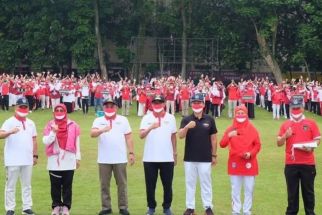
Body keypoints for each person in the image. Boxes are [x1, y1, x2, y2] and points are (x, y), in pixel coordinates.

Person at [277, 95, 321, 215]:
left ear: (303, 107)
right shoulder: (285, 124)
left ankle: (310, 213)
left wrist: (311, 146)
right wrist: (285, 136)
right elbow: (279, 143)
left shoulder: (311, 123)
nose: (296, 111)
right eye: (294, 108)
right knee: (292, 194)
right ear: (291, 108)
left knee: (308, 193)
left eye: (298, 108)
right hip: (291, 164)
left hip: (308, 163)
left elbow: (317, 140)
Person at [91, 98, 135, 215]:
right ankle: (106, 207)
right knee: (104, 184)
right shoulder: (98, 120)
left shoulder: (123, 120)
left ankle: (123, 207)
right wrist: (102, 130)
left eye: (112, 106)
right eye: (107, 106)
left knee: (122, 184)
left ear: (116, 107)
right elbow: (92, 134)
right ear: (104, 108)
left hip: (120, 158)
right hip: (104, 159)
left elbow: (129, 137)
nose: (109, 108)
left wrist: (131, 153)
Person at [178, 93, 218, 215]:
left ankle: (208, 207)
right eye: (194, 102)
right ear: (191, 104)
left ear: (203, 104)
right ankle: (190, 207)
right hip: (190, 157)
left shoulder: (209, 119)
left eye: (199, 102)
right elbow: (180, 136)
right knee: (190, 183)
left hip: (205, 157)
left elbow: (214, 138)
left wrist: (214, 155)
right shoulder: (186, 119)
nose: (197, 105)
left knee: (206, 183)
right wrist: (186, 128)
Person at [220, 105, 261, 215]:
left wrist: (250, 154)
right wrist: (229, 136)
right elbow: (222, 144)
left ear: (246, 114)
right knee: (235, 189)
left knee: (249, 189)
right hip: (235, 163)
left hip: (249, 163)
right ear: (235, 114)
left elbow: (257, 145)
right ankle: (236, 211)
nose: (240, 115)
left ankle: (247, 211)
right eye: (238, 113)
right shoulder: (230, 129)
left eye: (242, 113)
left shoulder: (252, 129)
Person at [139, 95, 177, 215]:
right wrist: (151, 127)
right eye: (155, 103)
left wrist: (175, 153)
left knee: (167, 185)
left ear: (164, 103)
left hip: (167, 157)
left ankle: (167, 207)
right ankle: (151, 207)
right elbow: (141, 135)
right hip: (150, 157)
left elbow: (173, 136)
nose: (157, 105)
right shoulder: (146, 118)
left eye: (160, 102)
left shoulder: (171, 118)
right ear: (152, 104)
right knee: (150, 185)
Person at [0, 97, 38, 215]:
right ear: (16, 107)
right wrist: (10, 132)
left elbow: (34, 139)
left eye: (25, 107)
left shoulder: (31, 123)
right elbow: (1, 134)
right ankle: (10, 208)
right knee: (10, 185)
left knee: (27, 185)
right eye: (21, 106)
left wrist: (35, 155)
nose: (23, 108)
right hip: (12, 159)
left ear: (28, 108)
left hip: (27, 159)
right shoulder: (9, 121)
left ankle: (27, 207)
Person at [42, 104, 81, 215]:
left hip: (69, 159)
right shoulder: (50, 125)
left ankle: (66, 207)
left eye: (61, 110)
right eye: (57, 110)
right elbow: (46, 141)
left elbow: (77, 142)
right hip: (54, 160)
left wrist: (78, 157)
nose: (59, 112)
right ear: (54, 112)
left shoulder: (73, 125)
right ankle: (56, 206)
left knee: (67, 185)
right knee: (55, 185)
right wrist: (53, 132)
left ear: (65, 111)